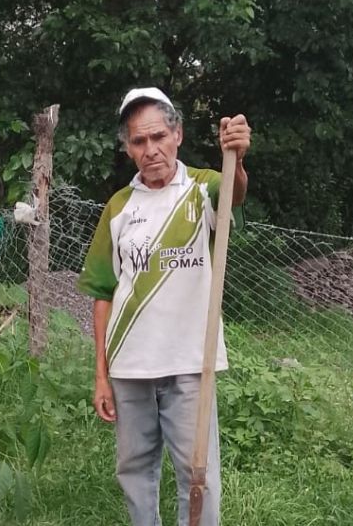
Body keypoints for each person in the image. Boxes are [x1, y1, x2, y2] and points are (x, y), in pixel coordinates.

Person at [77, 87, 251, 526]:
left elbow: (235, 193)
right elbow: (102, 291)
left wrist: (238, 157)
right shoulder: (118, 207)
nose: (150, 150)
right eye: (138, 141)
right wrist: (100, 373)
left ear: (177, 135)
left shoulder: (204, 188)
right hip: (129, 367)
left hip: (190, 364)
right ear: (128, 148)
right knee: (134, 471)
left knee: (199, 476)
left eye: (158, 137)